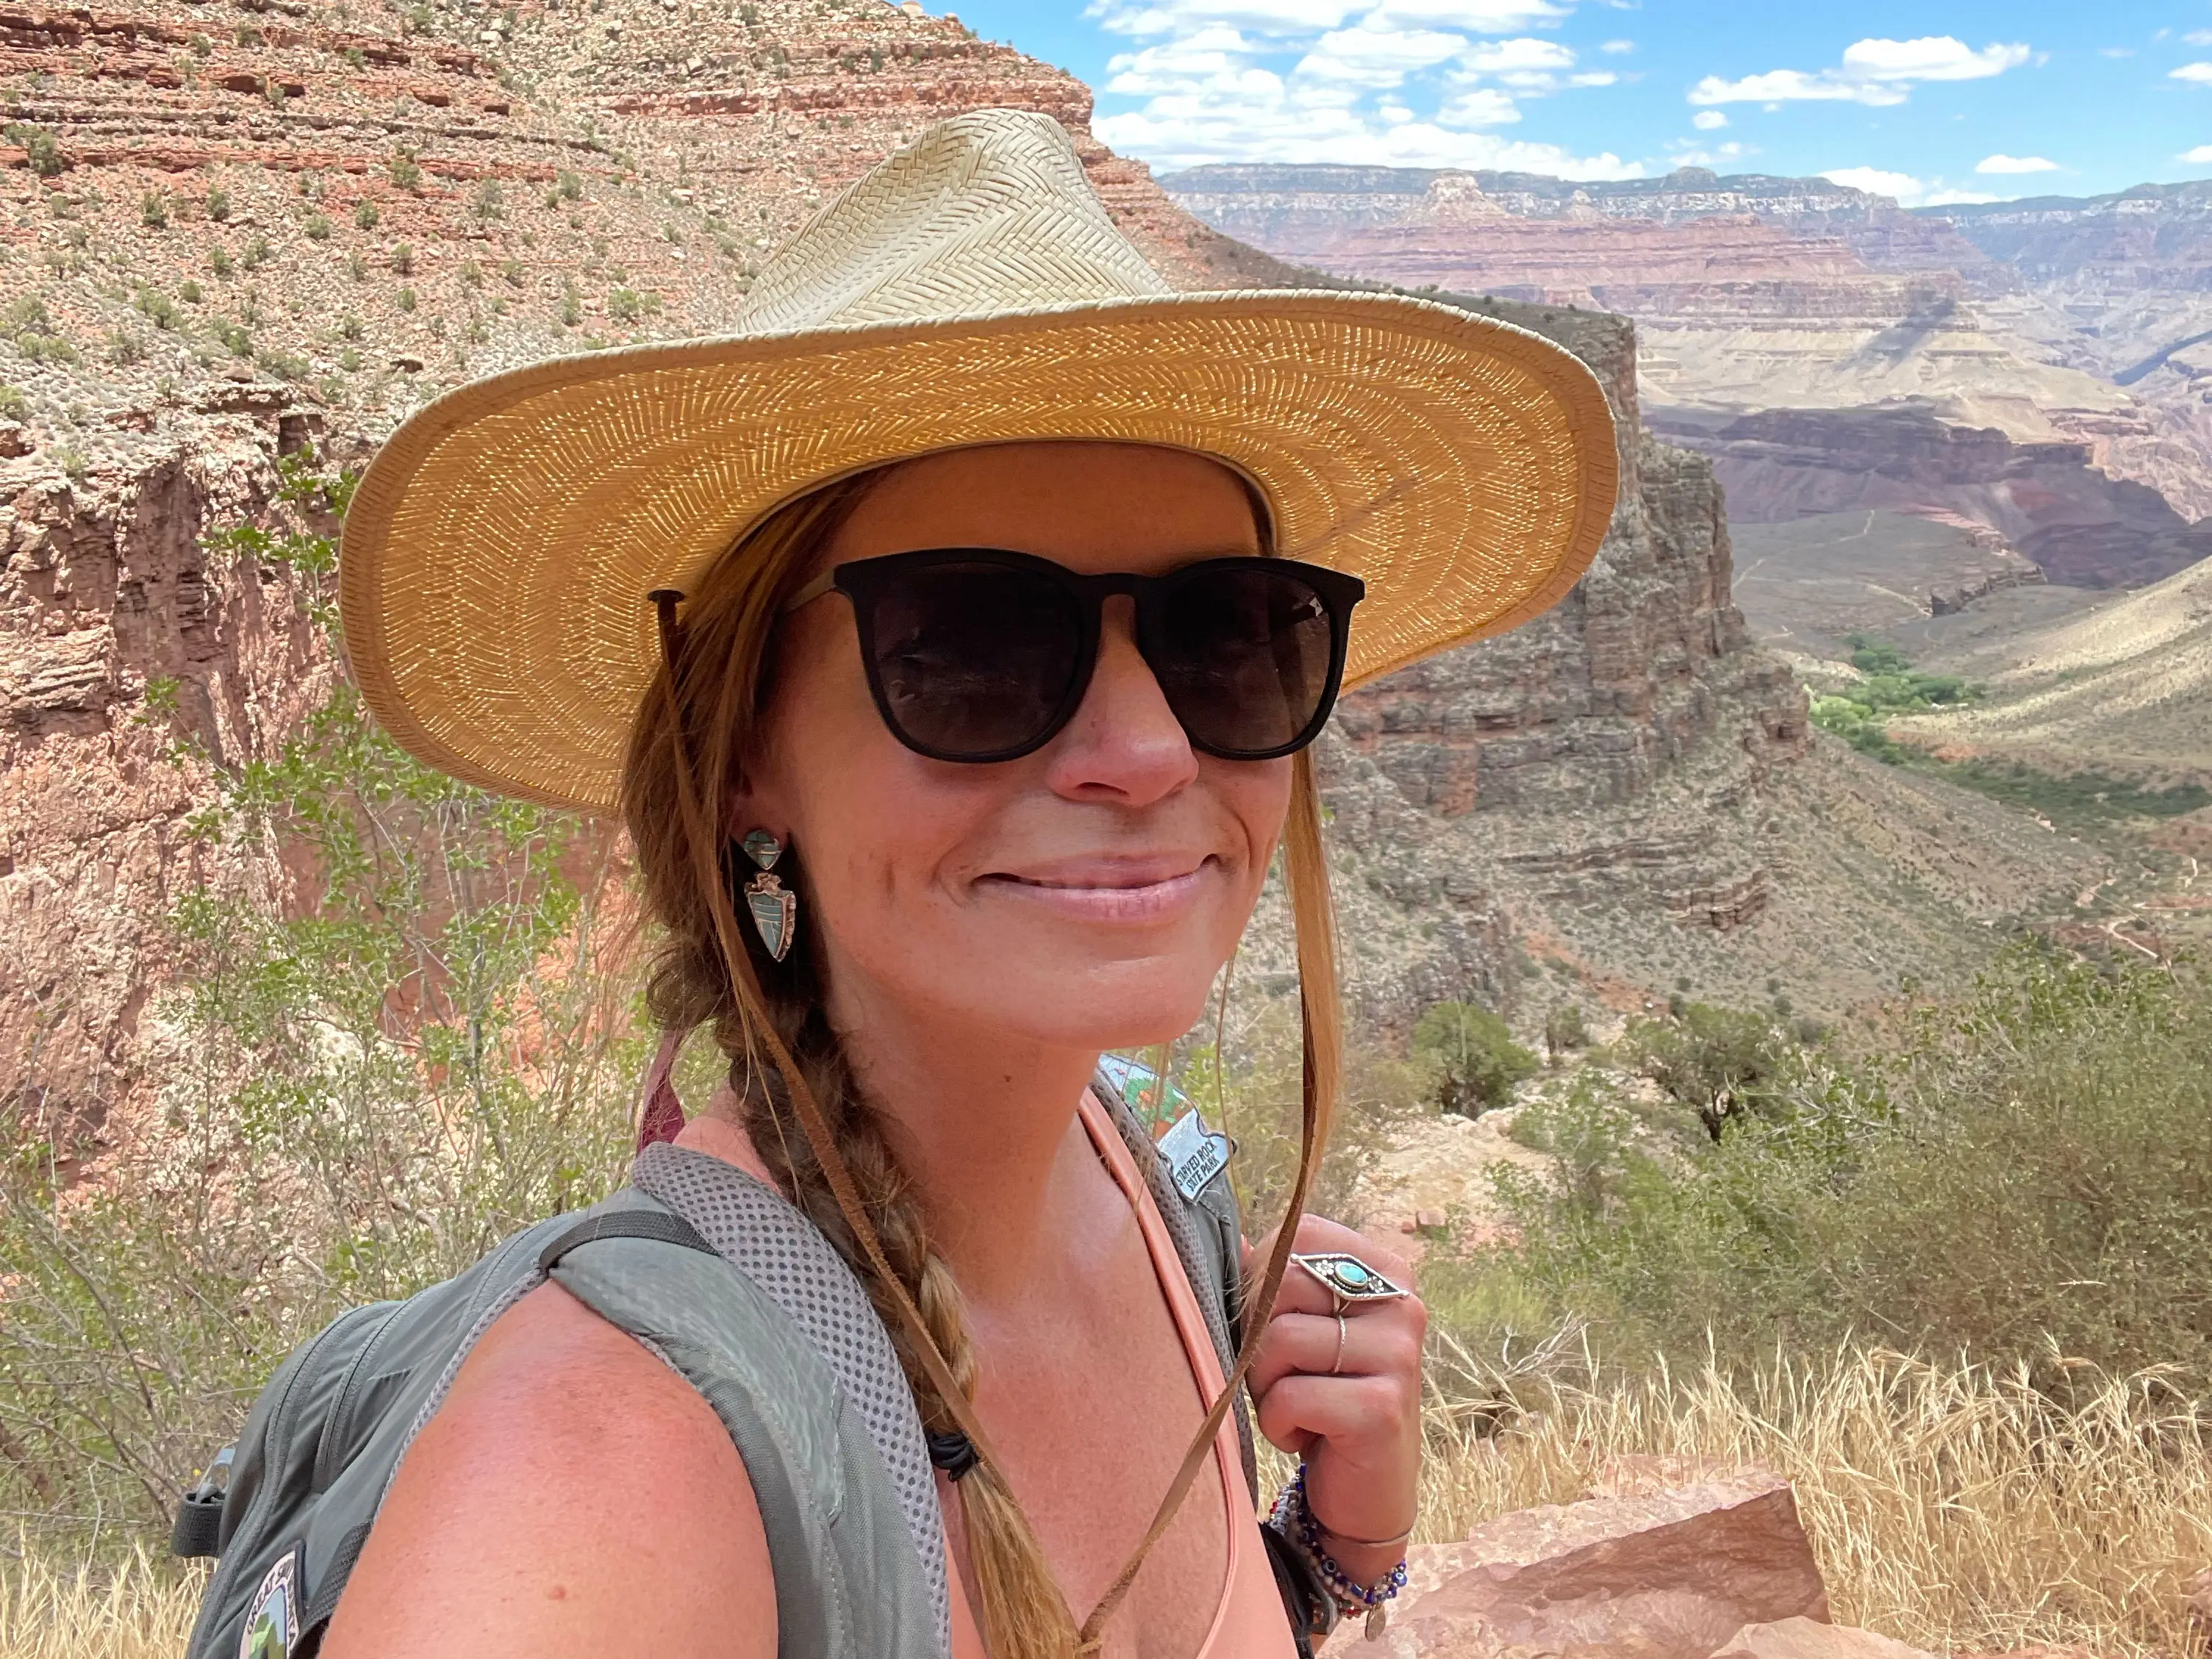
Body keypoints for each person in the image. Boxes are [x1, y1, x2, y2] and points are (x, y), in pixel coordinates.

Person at [322, 108, 1614, 1659]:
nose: (1142, 752)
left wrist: (1331, 1557)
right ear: (741, 752)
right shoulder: (605, 1467)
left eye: (1228, 634)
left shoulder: (1152, 1199)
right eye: (971, 650)